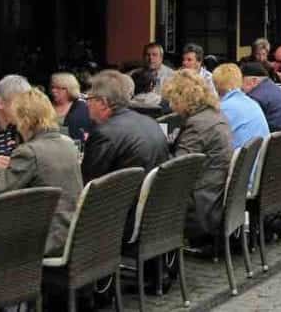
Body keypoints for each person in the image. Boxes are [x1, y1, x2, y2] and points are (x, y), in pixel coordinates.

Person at [0, 88, 83, 257]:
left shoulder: (29, 152)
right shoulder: (67, 144)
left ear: (23, 120)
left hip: (46, 240)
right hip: (71, 232)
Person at [162, 70, 233, 240]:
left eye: (172, 100)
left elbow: (177, 169)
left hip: (200, 207)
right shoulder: (215, 114)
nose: (171, 105)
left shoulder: (197, 124)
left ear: (183, 98)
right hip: (215, 194)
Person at [81, 70, 169, 183]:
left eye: (89, 99)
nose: (87, 104)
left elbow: (89, 184)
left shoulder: (104, 134)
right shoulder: (151, 122)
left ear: (103, 103)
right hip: (153, 196)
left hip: (122, 198)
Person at [212, 63, 270, 149]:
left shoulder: (223, 108)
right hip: (259, 158)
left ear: (216, 85)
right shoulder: (252, 102)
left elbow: (211, 140)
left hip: (239, 160)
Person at [239, 61, 281, 132]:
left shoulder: (255, 97)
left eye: (241, 80)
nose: (239, 85)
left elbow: (249, 127)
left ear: (254, 81)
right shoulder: (273, 87)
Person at [0, 75, 32, 161]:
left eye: (26, 103)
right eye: (19, 103)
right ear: (0, 103)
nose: (25, 108)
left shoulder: (19, 128)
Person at [50, 72, 92, 142]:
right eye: (52, 87)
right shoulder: (47, 104)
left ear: (70, 89)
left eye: (59, 88)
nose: (53, 91)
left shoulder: (82, 107)